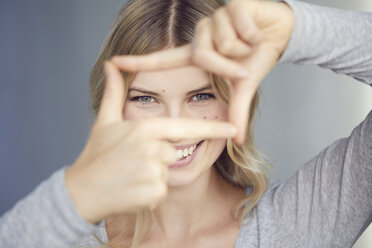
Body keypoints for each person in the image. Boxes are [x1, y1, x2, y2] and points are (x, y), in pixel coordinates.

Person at [0, 0, 371, 247]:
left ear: (237, 98)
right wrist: (75, 196)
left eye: (201, 95)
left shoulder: (297, 225)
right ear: (111, 106)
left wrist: (295, 30)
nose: (175, 128)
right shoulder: (69, 233)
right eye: (145, 98)